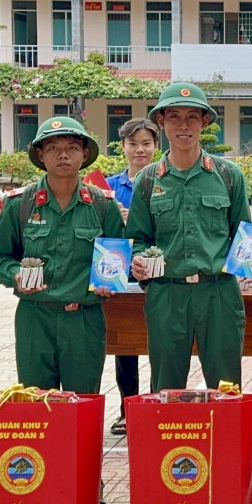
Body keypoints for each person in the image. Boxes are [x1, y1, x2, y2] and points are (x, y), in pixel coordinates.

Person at [0, 117, 122, 504]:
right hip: (35, 319)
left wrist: (111, 279)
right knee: (37, 407)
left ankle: (89, 491)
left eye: (72, 147)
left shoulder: (102, 204)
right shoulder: (20, 205)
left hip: (84, 319)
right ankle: (42, 488)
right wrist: (15, 277)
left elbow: (116, 254)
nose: (63, 155)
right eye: (54, 148)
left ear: (84, 155)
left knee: (84, 407)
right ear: (41, 155)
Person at [126, 83, 251, 392]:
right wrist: (138, 260)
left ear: (204, 122)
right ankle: (167, 441)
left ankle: (226, 441)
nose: (184, 125)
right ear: (162, 123)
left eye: (193, 117)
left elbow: (244, 236)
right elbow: (138, 239)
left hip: (218, 292)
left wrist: (247, 264)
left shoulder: (228, 175)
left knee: (226, 386)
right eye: (174, 117)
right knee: (165, 386)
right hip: (167, 294)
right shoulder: (148, 180)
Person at [105, 117, 160, 436]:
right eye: (133, 144)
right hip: (120, 278)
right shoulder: (108, 187)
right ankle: (127, 408)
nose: (140, 150)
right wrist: (117, 218)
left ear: (156, 146)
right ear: (122, 147)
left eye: (146, 144)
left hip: (155, 276)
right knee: (124, 345)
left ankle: (153, 404)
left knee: (159, 343)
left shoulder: (164, 180)